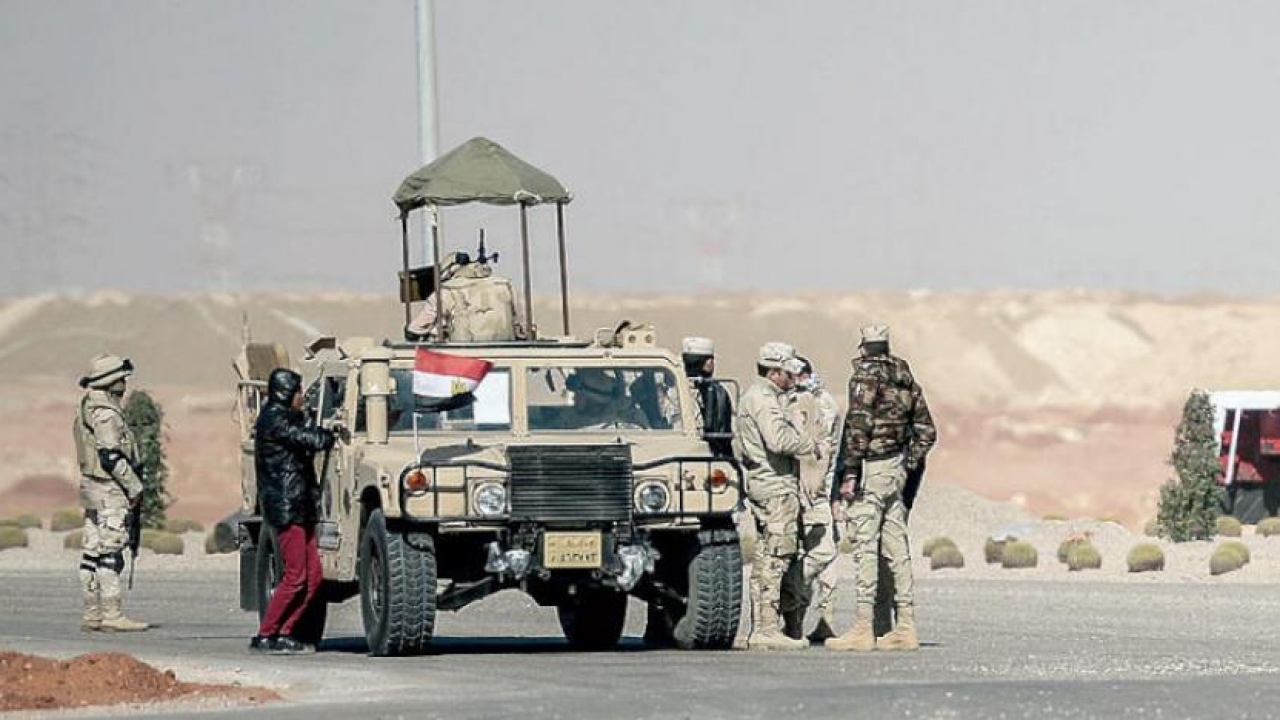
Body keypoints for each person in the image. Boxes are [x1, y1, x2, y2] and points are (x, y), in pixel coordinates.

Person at [826, 324, 937, 652]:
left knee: (865, 546)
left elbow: (858, 428)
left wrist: (849, 473)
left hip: (872, 468)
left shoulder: (864, 377)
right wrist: (908, 462)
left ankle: (864, 627)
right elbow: (927, 431)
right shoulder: (906, 378)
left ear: (864, 347)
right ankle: (906, 626)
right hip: (895, 469)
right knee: (897, 547)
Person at [737, 342, 819, 651]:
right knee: (775, 557)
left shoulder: (762, 397)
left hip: (770, 484)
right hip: (774, 487)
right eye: (788, 373)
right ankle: (767, 628)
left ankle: (762, 626)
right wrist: (809, 443)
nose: (792, 379)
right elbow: (778, 440)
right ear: (773, 371)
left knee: (766, 557)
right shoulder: (763, 399)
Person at [250, 368, 336, 655]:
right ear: (286, 393)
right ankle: (266, 633)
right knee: (296, 575)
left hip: (300, 505)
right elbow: (311, 440)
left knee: (314, 576)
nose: (302, 397)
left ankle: (285, 631)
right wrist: (326, 433)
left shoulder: (285, 417)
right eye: (298, 392)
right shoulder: (274, 420)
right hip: (286, 507)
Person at [72, 354, 148, 632]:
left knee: (91, 552)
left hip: (94, 489)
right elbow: (110, 456)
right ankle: (112, 614)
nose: (125, 383)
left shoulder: (89, 405)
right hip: (109, 490)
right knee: (110, 553)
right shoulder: (105, 412)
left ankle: (92, 613)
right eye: (121, 379)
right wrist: (134, 487)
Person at [778, 356, 842, 643]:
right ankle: (792, 621)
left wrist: (833, 494)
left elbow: (828, 451)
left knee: (824, 554)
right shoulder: (783, 403)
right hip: (794, 490)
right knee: (792, 554)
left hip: (818, 492)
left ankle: (809, 613)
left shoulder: (822, 403)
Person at [407, 251, 519, 342]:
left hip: (464, 355)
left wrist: (410, 332)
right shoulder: (505, 285)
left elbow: (418, 328)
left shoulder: (447, 290)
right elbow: (523, 323)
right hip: (505, 355)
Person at [678, 336, 734, 456]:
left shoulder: (673, 389)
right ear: (708, 363)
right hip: (709, 453)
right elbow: (722, 430)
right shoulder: (718, 392)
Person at [560, 369, 649, 429]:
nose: (574, 398)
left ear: (591, 399)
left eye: (578, 394)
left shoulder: (630, 421)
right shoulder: (569, 417)